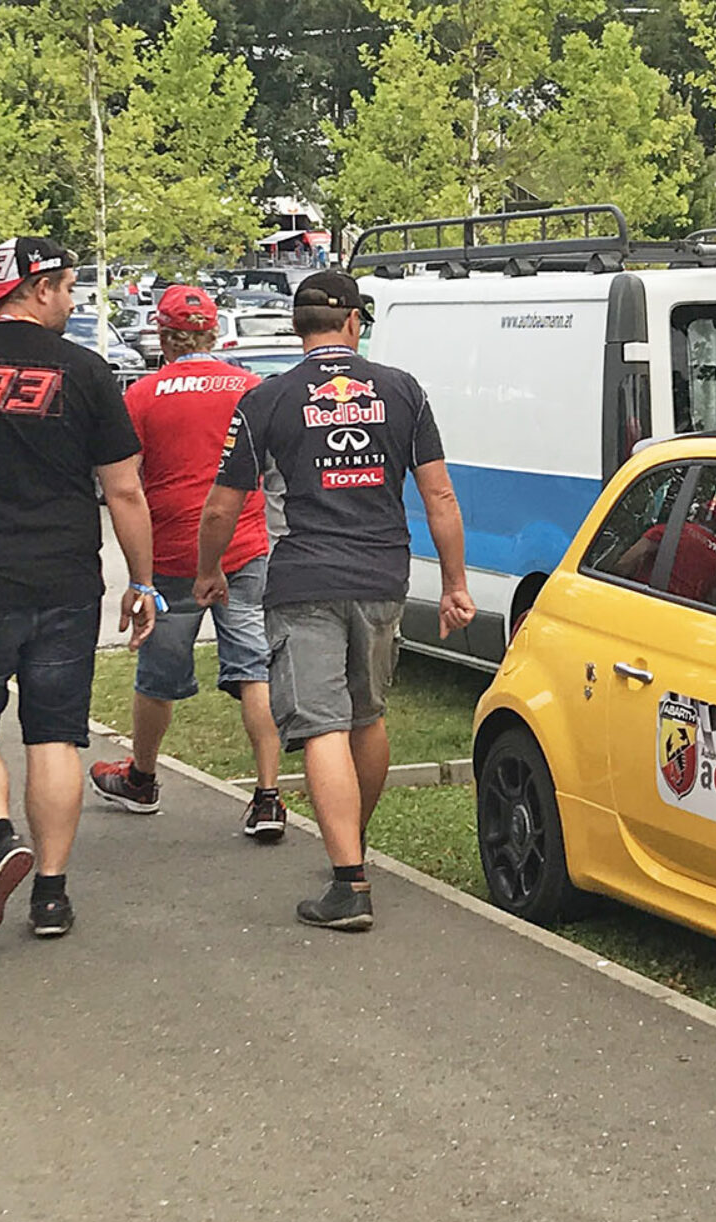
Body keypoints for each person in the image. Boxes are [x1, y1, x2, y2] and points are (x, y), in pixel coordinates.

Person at [194, 270, 474, 932]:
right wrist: (456, 583)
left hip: (302, 579)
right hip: (382, 576)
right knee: (365, 717)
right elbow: (440, 495)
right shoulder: (403, 390)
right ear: (352, 323)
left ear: (299, 326)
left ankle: (348, 880)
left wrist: (209, 570)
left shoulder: (268, 398)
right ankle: (354, 848)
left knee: (320, 724)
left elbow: (223, 504)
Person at [0, 236, 157, 938]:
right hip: (66, 577)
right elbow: (124, 490)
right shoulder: (87, 372)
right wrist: (142, 582)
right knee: (55, 736)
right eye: (67, 288)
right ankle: (50, 895)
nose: (72, 301)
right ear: (38, 287)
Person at [89, 286, 286, 841]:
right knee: (255, 669)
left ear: (164, 335)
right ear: (214, 332)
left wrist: (139, 577)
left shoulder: (143, 395)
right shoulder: (250, 388)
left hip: (171, 550)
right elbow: (272, 470)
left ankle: (143, 778)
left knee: (158, 673)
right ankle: (268, 797)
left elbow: (125, 484)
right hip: (243, 546)